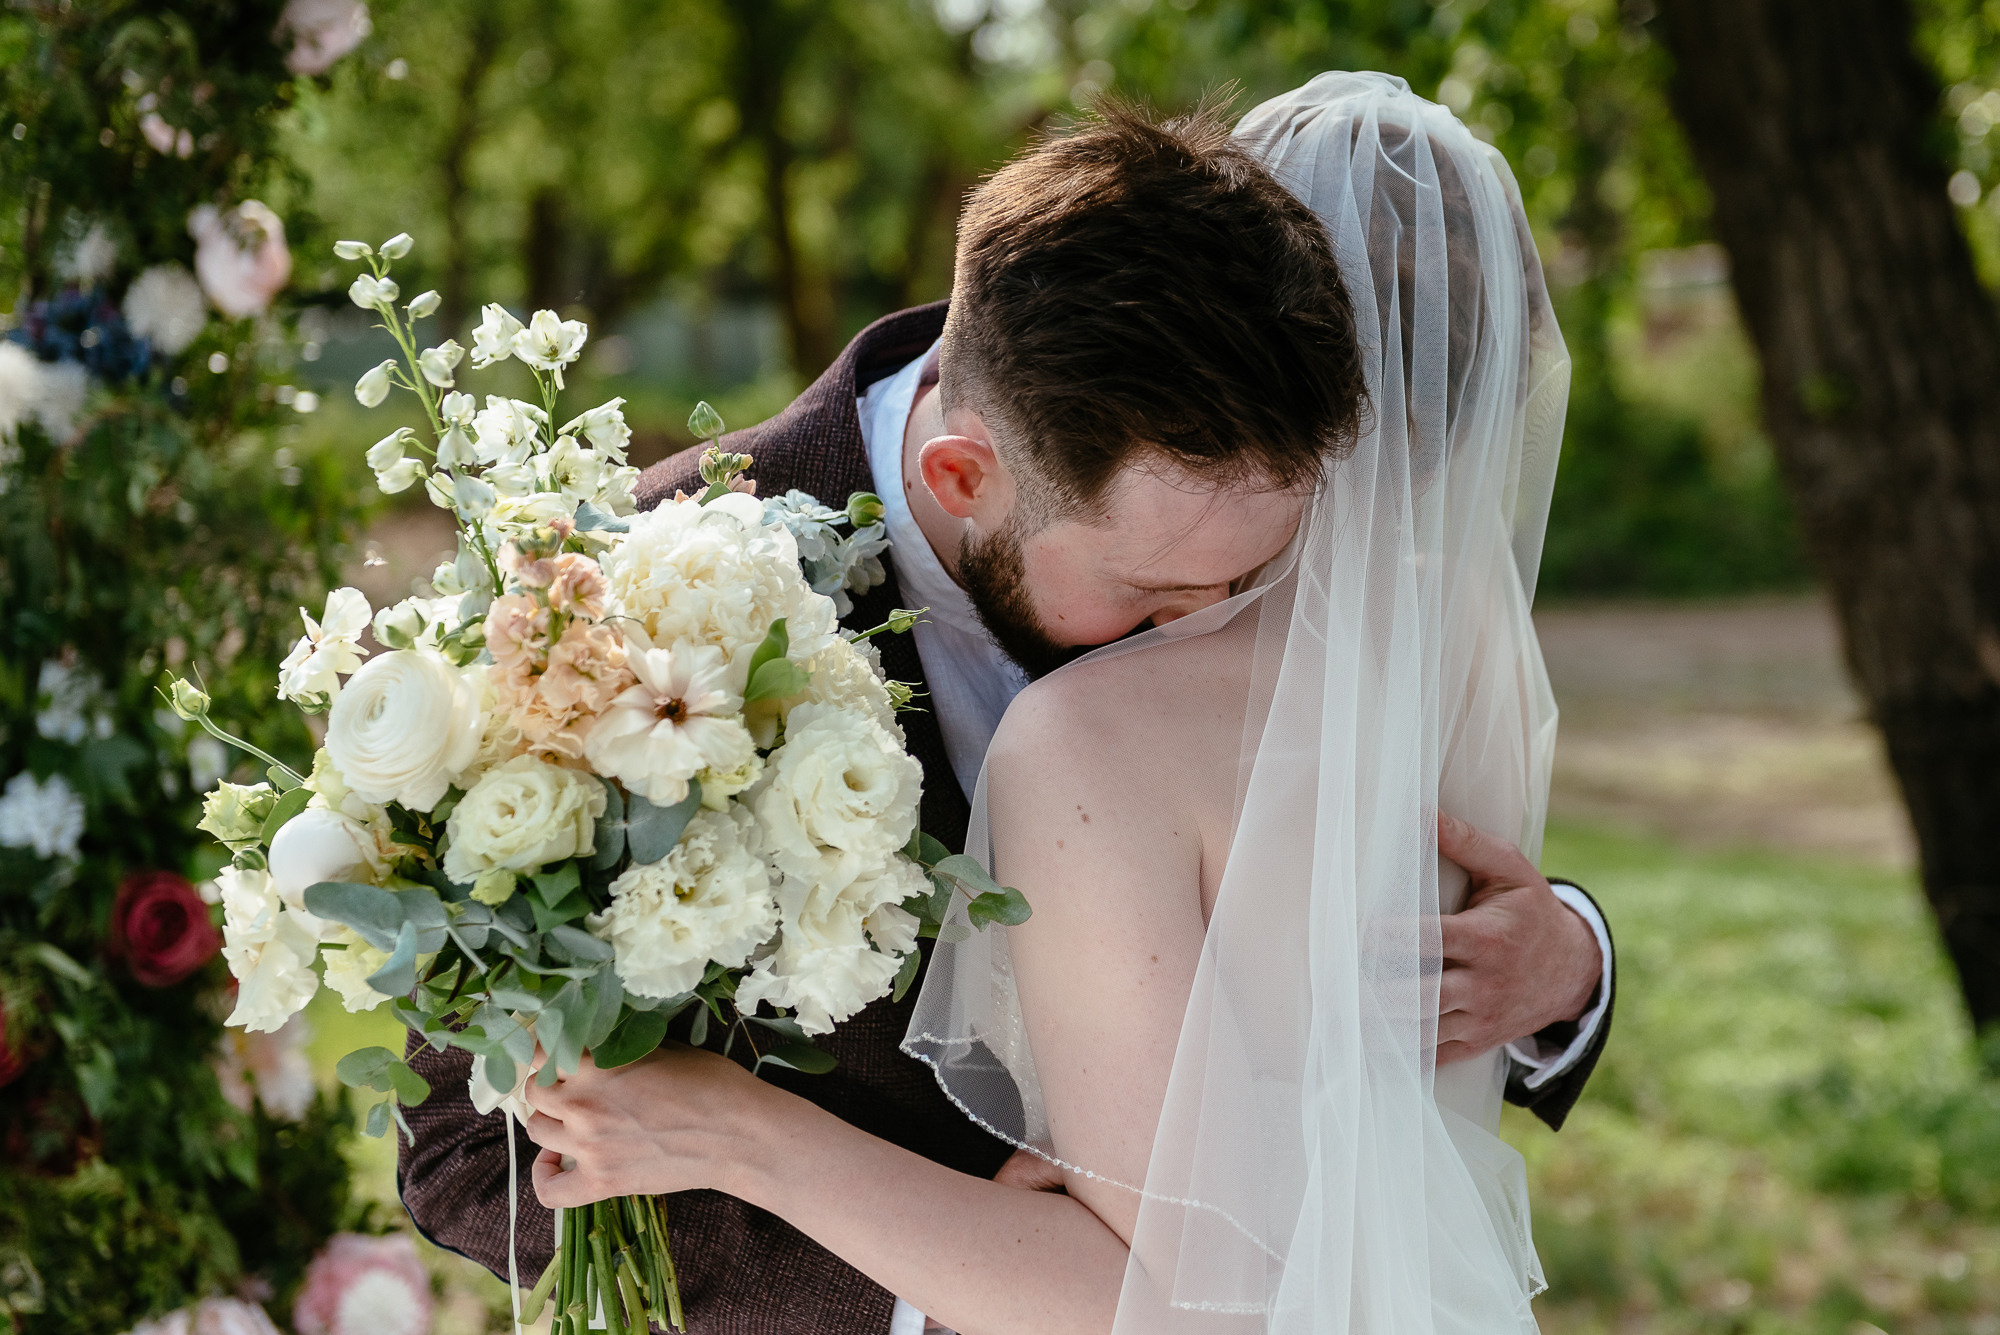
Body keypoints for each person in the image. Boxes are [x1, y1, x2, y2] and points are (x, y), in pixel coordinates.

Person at [399, 76, 1611, 1334]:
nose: (1222, 617)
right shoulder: (625, 608)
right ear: (960, 473)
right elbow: (458, 1150)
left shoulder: (1306, 545)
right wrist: (956, 1272)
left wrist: (1567, 959)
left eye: (1249, 575)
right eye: (1156, 589)